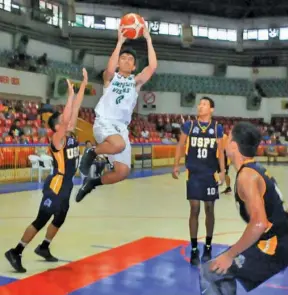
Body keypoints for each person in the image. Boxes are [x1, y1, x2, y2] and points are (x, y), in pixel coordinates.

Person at [5, 69, 88, 273]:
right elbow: (69, 112)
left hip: (67, 184)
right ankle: (16, 252)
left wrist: (83, 85)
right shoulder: (57, 139)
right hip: (56, 185)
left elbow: (75, 109)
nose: (68, 120)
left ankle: (44, 247)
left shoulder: (70, 135)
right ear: (57, 126)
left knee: (60, 217)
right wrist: (69, 95)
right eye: (63, 120)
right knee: (42, 219)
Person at [200, 122, 288, 295]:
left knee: (211, 271)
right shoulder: (255, 169)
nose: (224, 140)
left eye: (228, 136)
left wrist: (230, 255)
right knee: (220, 272)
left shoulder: (247, 177)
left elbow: (259, 224)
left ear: (233, 145)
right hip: (279, 237)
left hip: (276, 244)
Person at [75, 23, 157, 202]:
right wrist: (120, 42)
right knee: (118, 145)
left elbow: (151, 67)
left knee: (122, 172)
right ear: (118, 61)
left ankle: (92, 183)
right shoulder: (111, 78)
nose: (126, 60)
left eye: (130, 59)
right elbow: (109, 69)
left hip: (121, 127)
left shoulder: (135, 82)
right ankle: (92, 152)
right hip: (104, 121)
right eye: (123, 58)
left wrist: (149, 40)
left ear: (134, 66)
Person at [172, 97, 225, 266]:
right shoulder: (189, 126)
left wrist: (222, 171)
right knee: (194, 208)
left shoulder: (217, 128)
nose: (200, 106)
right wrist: (176, 165)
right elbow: (180, 145)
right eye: (199, 104)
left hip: (210, 174)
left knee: (209, 209)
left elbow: (221, 151)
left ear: (211, 109)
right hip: (193, 173)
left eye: (204, 104)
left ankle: (208, 246)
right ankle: (194, 248)